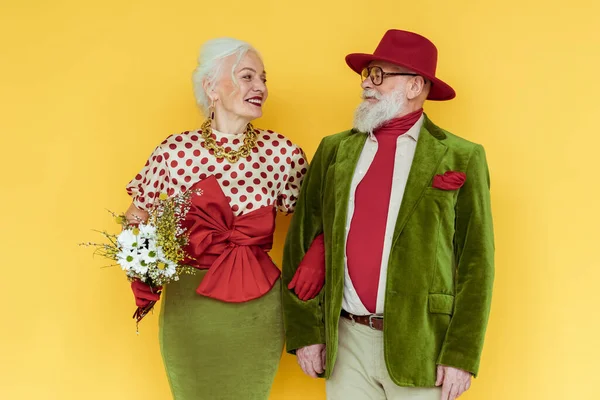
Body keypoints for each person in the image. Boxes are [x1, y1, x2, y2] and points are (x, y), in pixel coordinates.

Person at [282, 29, 495, 400]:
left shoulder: (462, 157)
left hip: (420, 345)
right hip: (346, 340)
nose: (367, 84)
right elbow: (301, 241)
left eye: (380, 75)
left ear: (414, 86)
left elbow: (477, 264)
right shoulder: (334, 150)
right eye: (367, 75)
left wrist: (461, 355)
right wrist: (306, 334)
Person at [124, 37, 324, 400]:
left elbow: (314, 222)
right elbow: (138, 214)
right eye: (247, 77)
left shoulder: (283, 152)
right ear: (211, 87)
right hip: (191, 306)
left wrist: (315, 263)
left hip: (258, 308)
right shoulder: (174, 151)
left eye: (263, 79)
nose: (260, 87)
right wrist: (144, 262)